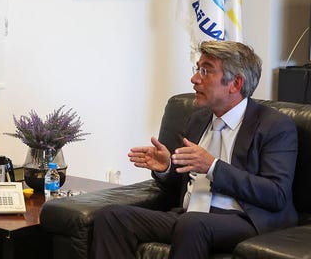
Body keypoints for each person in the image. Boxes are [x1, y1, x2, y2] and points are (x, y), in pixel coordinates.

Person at [91, 40, 298, 258]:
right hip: (189, 216)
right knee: (111, 216)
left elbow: (277, 194)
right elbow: (181, 184)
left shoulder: (275, 126)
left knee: (192, 224)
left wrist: (213, 167)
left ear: (235, 83)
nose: (194, 79)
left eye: (206, 71)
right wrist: (167, 167)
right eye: (197, 69)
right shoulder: (197, 120)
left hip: (243, 219)